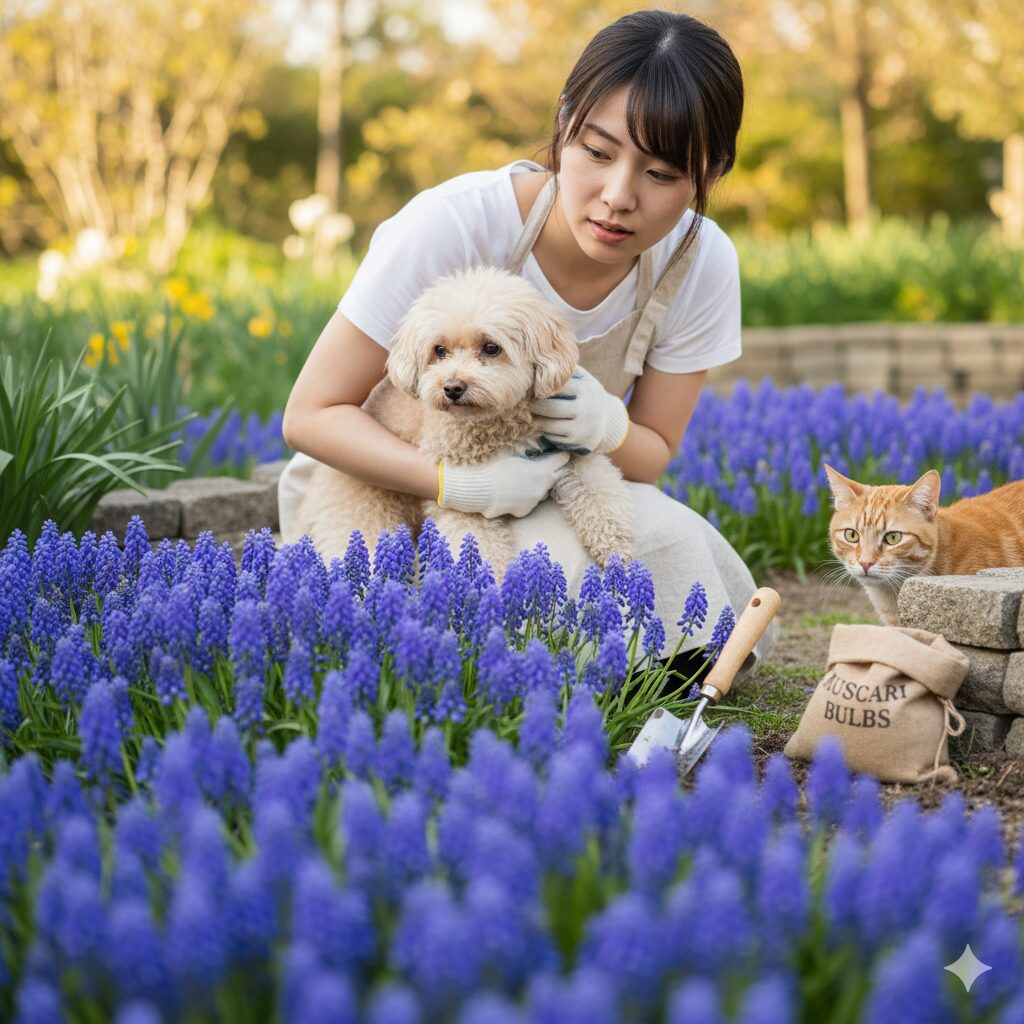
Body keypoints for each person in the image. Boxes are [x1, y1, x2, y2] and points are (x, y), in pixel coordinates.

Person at [280, 9, 775, 666]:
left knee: (666, 534)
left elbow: (650, 457)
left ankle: (658, 674)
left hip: (552, 476)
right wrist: (453, 485)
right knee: (531, 568)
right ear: (563, 122)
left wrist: (604, 424)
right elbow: (310, 416)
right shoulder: (452, 224)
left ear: (711, 173)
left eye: (660, 175)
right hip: (378, 478)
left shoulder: (701, 262)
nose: (617, 197)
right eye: (596, 153)